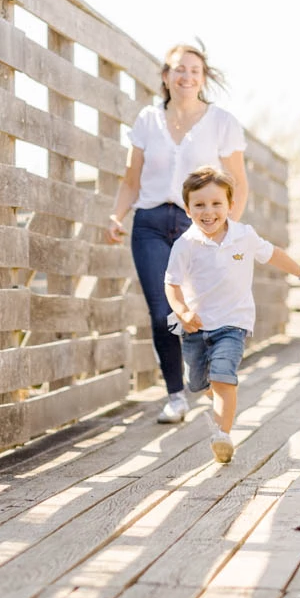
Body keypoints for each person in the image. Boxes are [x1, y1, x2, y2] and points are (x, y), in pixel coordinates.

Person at [105, 42, 249, 425]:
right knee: (162, 311)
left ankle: (203, 372)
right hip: (150, 223)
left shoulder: (221, 122)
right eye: (178, 69)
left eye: (194, 70)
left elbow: (239, 183)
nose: (186, 76)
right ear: (166, 77)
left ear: (203, 79)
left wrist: (227, 232)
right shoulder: (147, 120)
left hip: (198, 227)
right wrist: (117, 216)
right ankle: (175, 395)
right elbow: (131, 179)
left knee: (201, 310)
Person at [164, 167, 300, 463]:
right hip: (195, 327)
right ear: (187, 210)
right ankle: (218, 397)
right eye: (199, 205)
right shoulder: (184, 245)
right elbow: (171, 284)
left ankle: (222, 435)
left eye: (216, 204)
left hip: (232, 324)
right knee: (198, 383)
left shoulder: (243, 235)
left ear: (230, 206)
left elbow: (273, 253)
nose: (208, 212)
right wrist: (183, 311)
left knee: (223, 377)